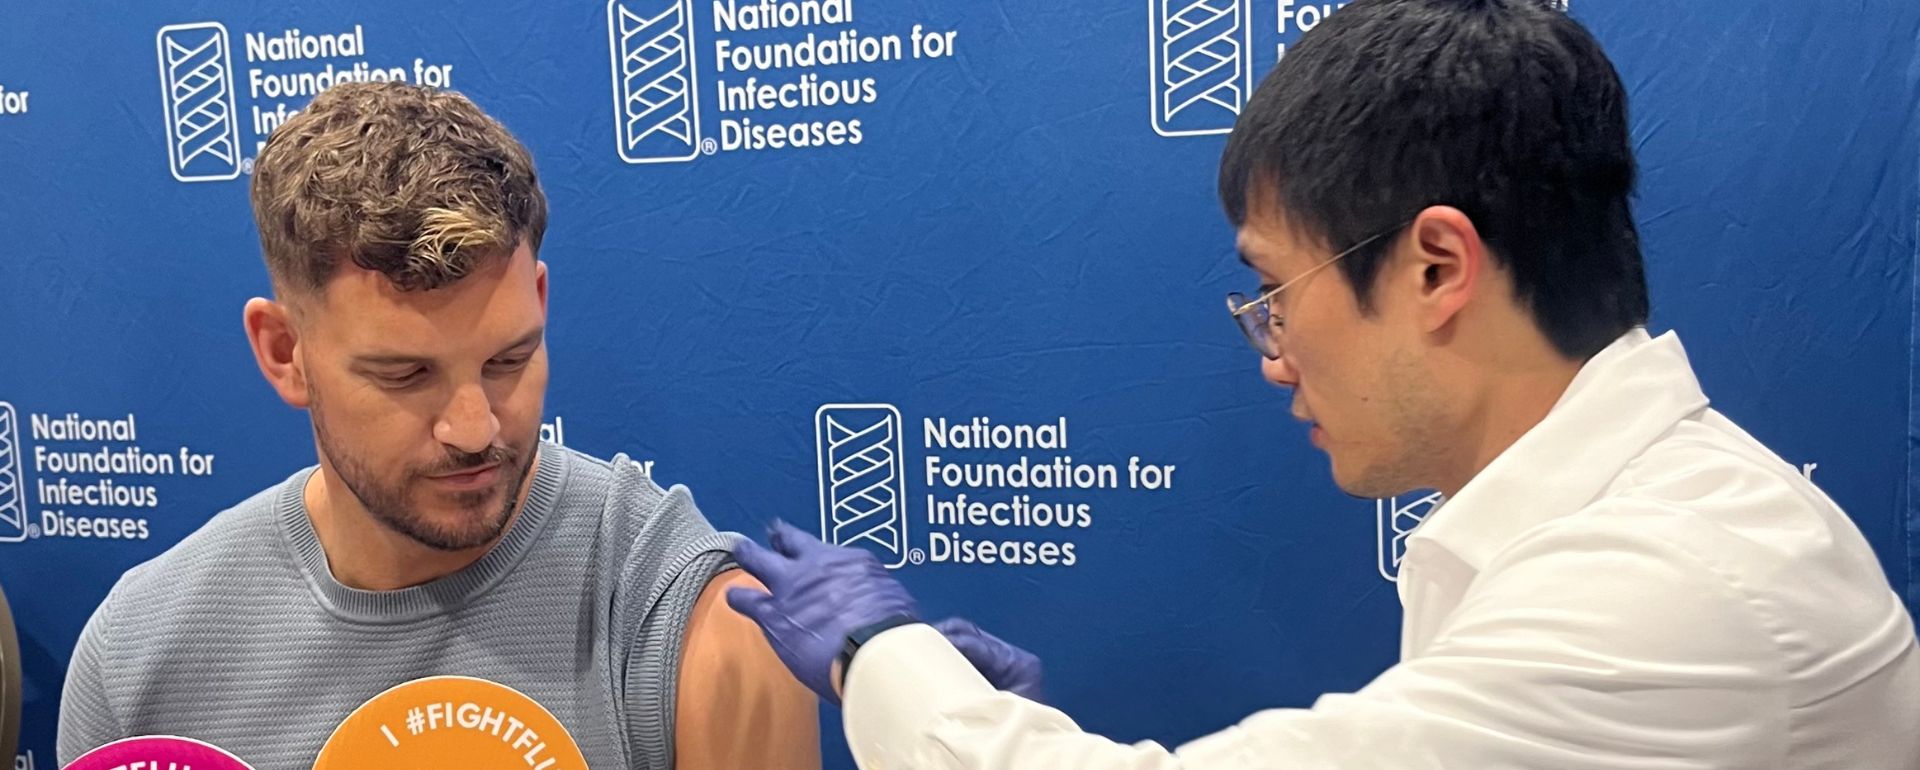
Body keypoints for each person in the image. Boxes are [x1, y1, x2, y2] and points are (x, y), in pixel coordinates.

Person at [722, 0, 1920, 767]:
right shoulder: (1606, 533)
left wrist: (880, 656)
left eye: (1277, 293)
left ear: (1438, 264)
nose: (1276, 352)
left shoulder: (1670, 588)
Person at [56, 82, 822, 770]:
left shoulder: (697, 622)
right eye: (406, 375)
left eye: (509, 360)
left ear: (543, 303)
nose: (474, 427)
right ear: (286, 353)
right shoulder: (140, 652)